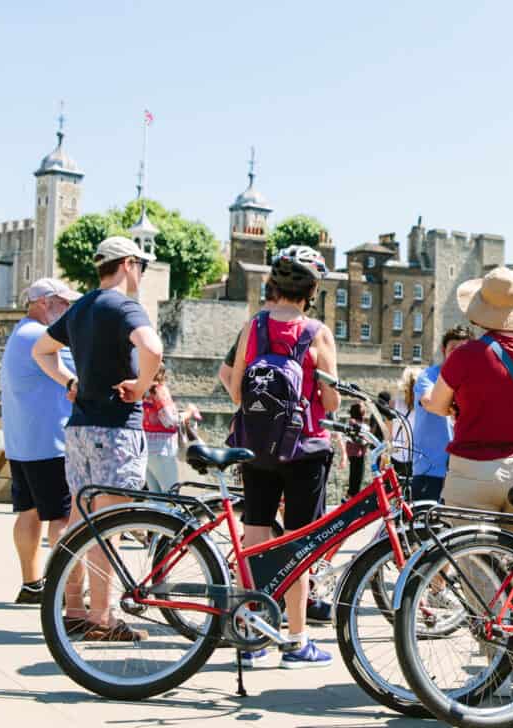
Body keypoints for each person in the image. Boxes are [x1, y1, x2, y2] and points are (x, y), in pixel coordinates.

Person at [425, 266, 513, 688]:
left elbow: (439, 405)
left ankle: (496, 657)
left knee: (472, 559)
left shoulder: (463, 356)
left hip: (471, 470)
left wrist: (448, 403)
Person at [32, 236, 163, 641]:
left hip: (80, 428)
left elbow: (41, 350)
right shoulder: (124, 306)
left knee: (78, 520)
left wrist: (68, 380)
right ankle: (103, 619)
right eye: (140, 265)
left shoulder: (83, 306)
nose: (141, 272)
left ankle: (72, 609)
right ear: (127, 264)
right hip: (117, 426)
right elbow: (152, 348)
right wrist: (142, 386)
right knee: (110, 526)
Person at [228, 245, 338, 667]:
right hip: (304, 448)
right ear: (312, 289)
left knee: (254, 540)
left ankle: (252, 637)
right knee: (299, 546)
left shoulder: (254, 327)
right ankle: (295, 640)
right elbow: (329, 402)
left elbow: (238, 390)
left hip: (255, 448)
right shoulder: (317, 332)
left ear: (274, 284)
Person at [0, 279, 80, 603]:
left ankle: (32, 584)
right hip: (49, 442)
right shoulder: (41, 337)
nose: (69, 311)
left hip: (23, 442)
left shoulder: (20, 333)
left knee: (29, 512)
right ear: (46, 302)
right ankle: (64, 590)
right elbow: (83, 373)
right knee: (61, 518)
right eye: (64, 304)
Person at [409, 326, 471, 502]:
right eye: (453, 350)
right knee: (424, 527)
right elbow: (428, 401)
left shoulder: (471, 381)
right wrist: (454, 408)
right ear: (444, 351)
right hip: (431, 469)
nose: (458, 355)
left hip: (464, 471)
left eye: (463, 350)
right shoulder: (429, 376)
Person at [141, 364, 200, 493]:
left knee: (155, 497)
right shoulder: (159, 390)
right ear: (162, 374)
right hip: (162, 450)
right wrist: (189, 412)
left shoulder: (142, 390)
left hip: (146, 449)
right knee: (171, 494)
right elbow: (171, 420)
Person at [392, 368, 422, 480]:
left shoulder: (394, 403)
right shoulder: (423, 408)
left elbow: (388, 436)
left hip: (395, 455)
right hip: (414, 458)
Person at [344, 402, 370, 500]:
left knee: (355, 475)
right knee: (357, 476)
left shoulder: (355, 422)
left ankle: (352, 495)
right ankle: (353, 496)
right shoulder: (354, 423)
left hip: (356, 452)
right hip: (357, 453)